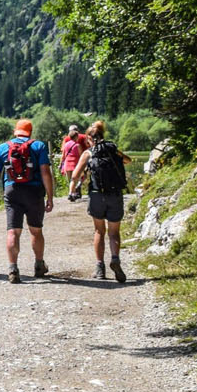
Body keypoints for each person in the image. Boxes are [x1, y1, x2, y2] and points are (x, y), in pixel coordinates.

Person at [0, 118, 54, 283]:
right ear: (30, 132)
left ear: (15, 132)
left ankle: (13, 269)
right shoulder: (38, 146)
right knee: (36, 230)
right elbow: (45, 172)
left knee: (13, 231)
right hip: (34, 192)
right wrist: (50, 196)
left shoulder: (3, 147)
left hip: (12, 192)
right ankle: (39, 265)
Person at [72, 120, 133, 282]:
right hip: (115, 194)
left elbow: (75, 175)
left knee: (99, 231)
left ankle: (100, 268)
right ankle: (115, 259)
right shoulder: (113, 150)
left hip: (97, 194)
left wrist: (73, 189)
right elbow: (128, 160)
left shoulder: (89, 153)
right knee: (114, 232)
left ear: (89, 140)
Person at [61, 124, 92, 201]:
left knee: (72, 179)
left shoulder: (66, 138)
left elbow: (63, 151)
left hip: (68, 162)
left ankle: (73, 193)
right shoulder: (84, 136)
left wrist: (61, 163)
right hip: (82, 159)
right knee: (83, 175)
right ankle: (78, 188)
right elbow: (89, 146)